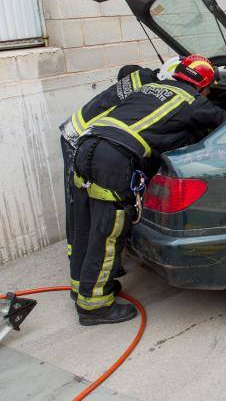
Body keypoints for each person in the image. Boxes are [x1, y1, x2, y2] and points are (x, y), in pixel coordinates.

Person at [71, 55, 226, 325]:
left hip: (88, 146)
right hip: (114, 159)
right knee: (109, 232)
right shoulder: (193, 102)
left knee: (87, 225)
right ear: (204, 86)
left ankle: (84, 288)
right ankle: (94, 306)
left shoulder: (150, 87)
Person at [59, 64, 156, 301]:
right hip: (82, 141)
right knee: (85, 214)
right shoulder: (152, 86)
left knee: (83, 213)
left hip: (78, 136)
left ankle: (82, 283)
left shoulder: (138, 77)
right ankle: (87, 286)